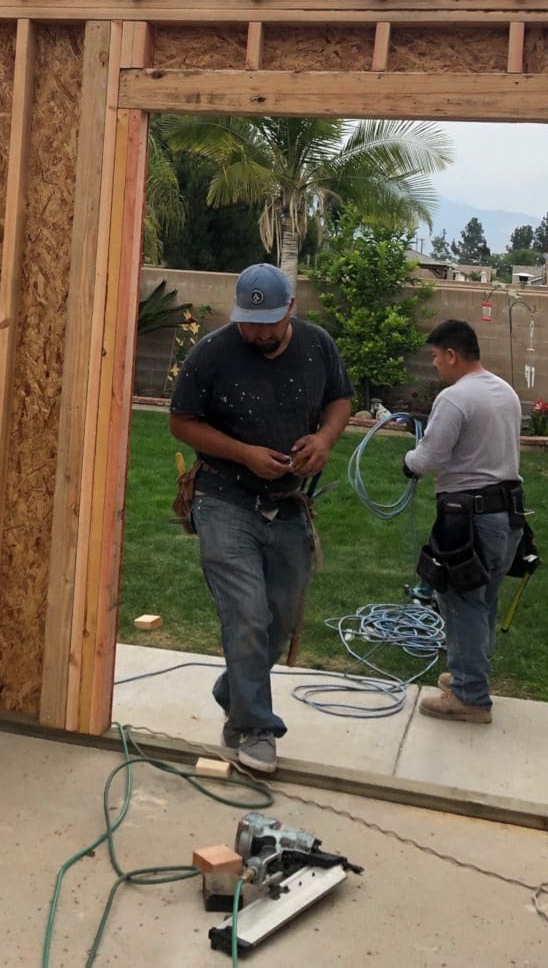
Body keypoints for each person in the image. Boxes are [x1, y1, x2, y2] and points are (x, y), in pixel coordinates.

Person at [169, 263, 353, 774]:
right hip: (225, 499)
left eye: (269, 321)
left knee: (278, 622)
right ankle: (252, 727)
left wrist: (325, 439)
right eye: (250, 322)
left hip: (287, 502)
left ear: (291, 309)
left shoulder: (317, 346)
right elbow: (181, 423)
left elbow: (340, 398)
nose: (259, 332)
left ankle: (235, 688)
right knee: (247, 615)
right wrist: (243, 453)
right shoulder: (213, 352)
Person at [402, 318, 525, 724]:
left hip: (469, 519)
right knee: (482, 601)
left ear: (452, 355)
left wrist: (409, 463)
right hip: (507, 515)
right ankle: (468, 678)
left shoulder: (455, 398)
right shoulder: (504, 391)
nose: (435, 364)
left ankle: (470, 697)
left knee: (461, 603)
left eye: (436, 357)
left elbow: (429, 457)